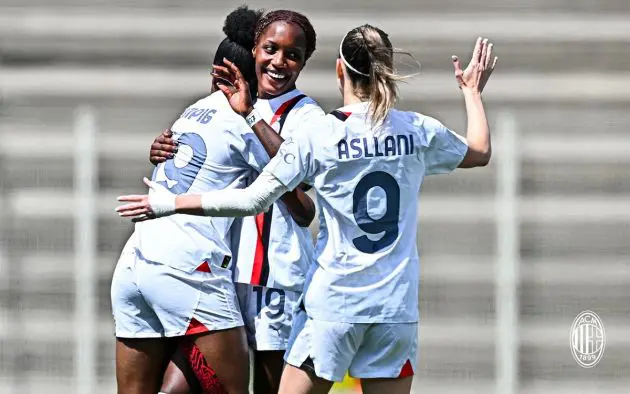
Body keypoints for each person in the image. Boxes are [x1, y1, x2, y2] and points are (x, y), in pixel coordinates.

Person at [117, 25, 497, 394]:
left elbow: (254, 200)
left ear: (338, 69)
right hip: (394, 308)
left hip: (331, 303)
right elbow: (479, 152)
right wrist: (471, 92)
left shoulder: (320, 132)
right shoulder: (416, 129)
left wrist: (169, 203)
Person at [110, 6, 316, 394]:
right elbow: (299, 198)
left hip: (146, 263)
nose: (278, 62)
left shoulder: (198, 111)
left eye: (292, 54)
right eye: (269, 50)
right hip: (199, 266)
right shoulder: (239, 115)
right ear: (250, 56)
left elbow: (301, 187)